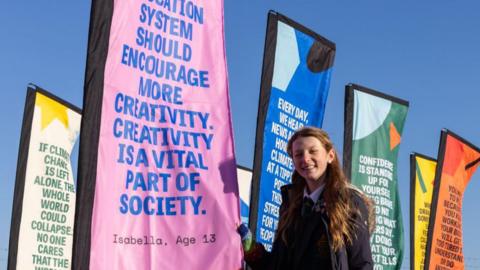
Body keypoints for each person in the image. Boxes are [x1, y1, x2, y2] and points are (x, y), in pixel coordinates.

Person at [241, 126, 374, 270]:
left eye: (313, 151)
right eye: (298, 154)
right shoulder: (290, 208)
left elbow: (361, 264)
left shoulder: (349, 202)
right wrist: (250, 250)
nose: (305, 158)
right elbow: (276, 265)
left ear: (330, 156)